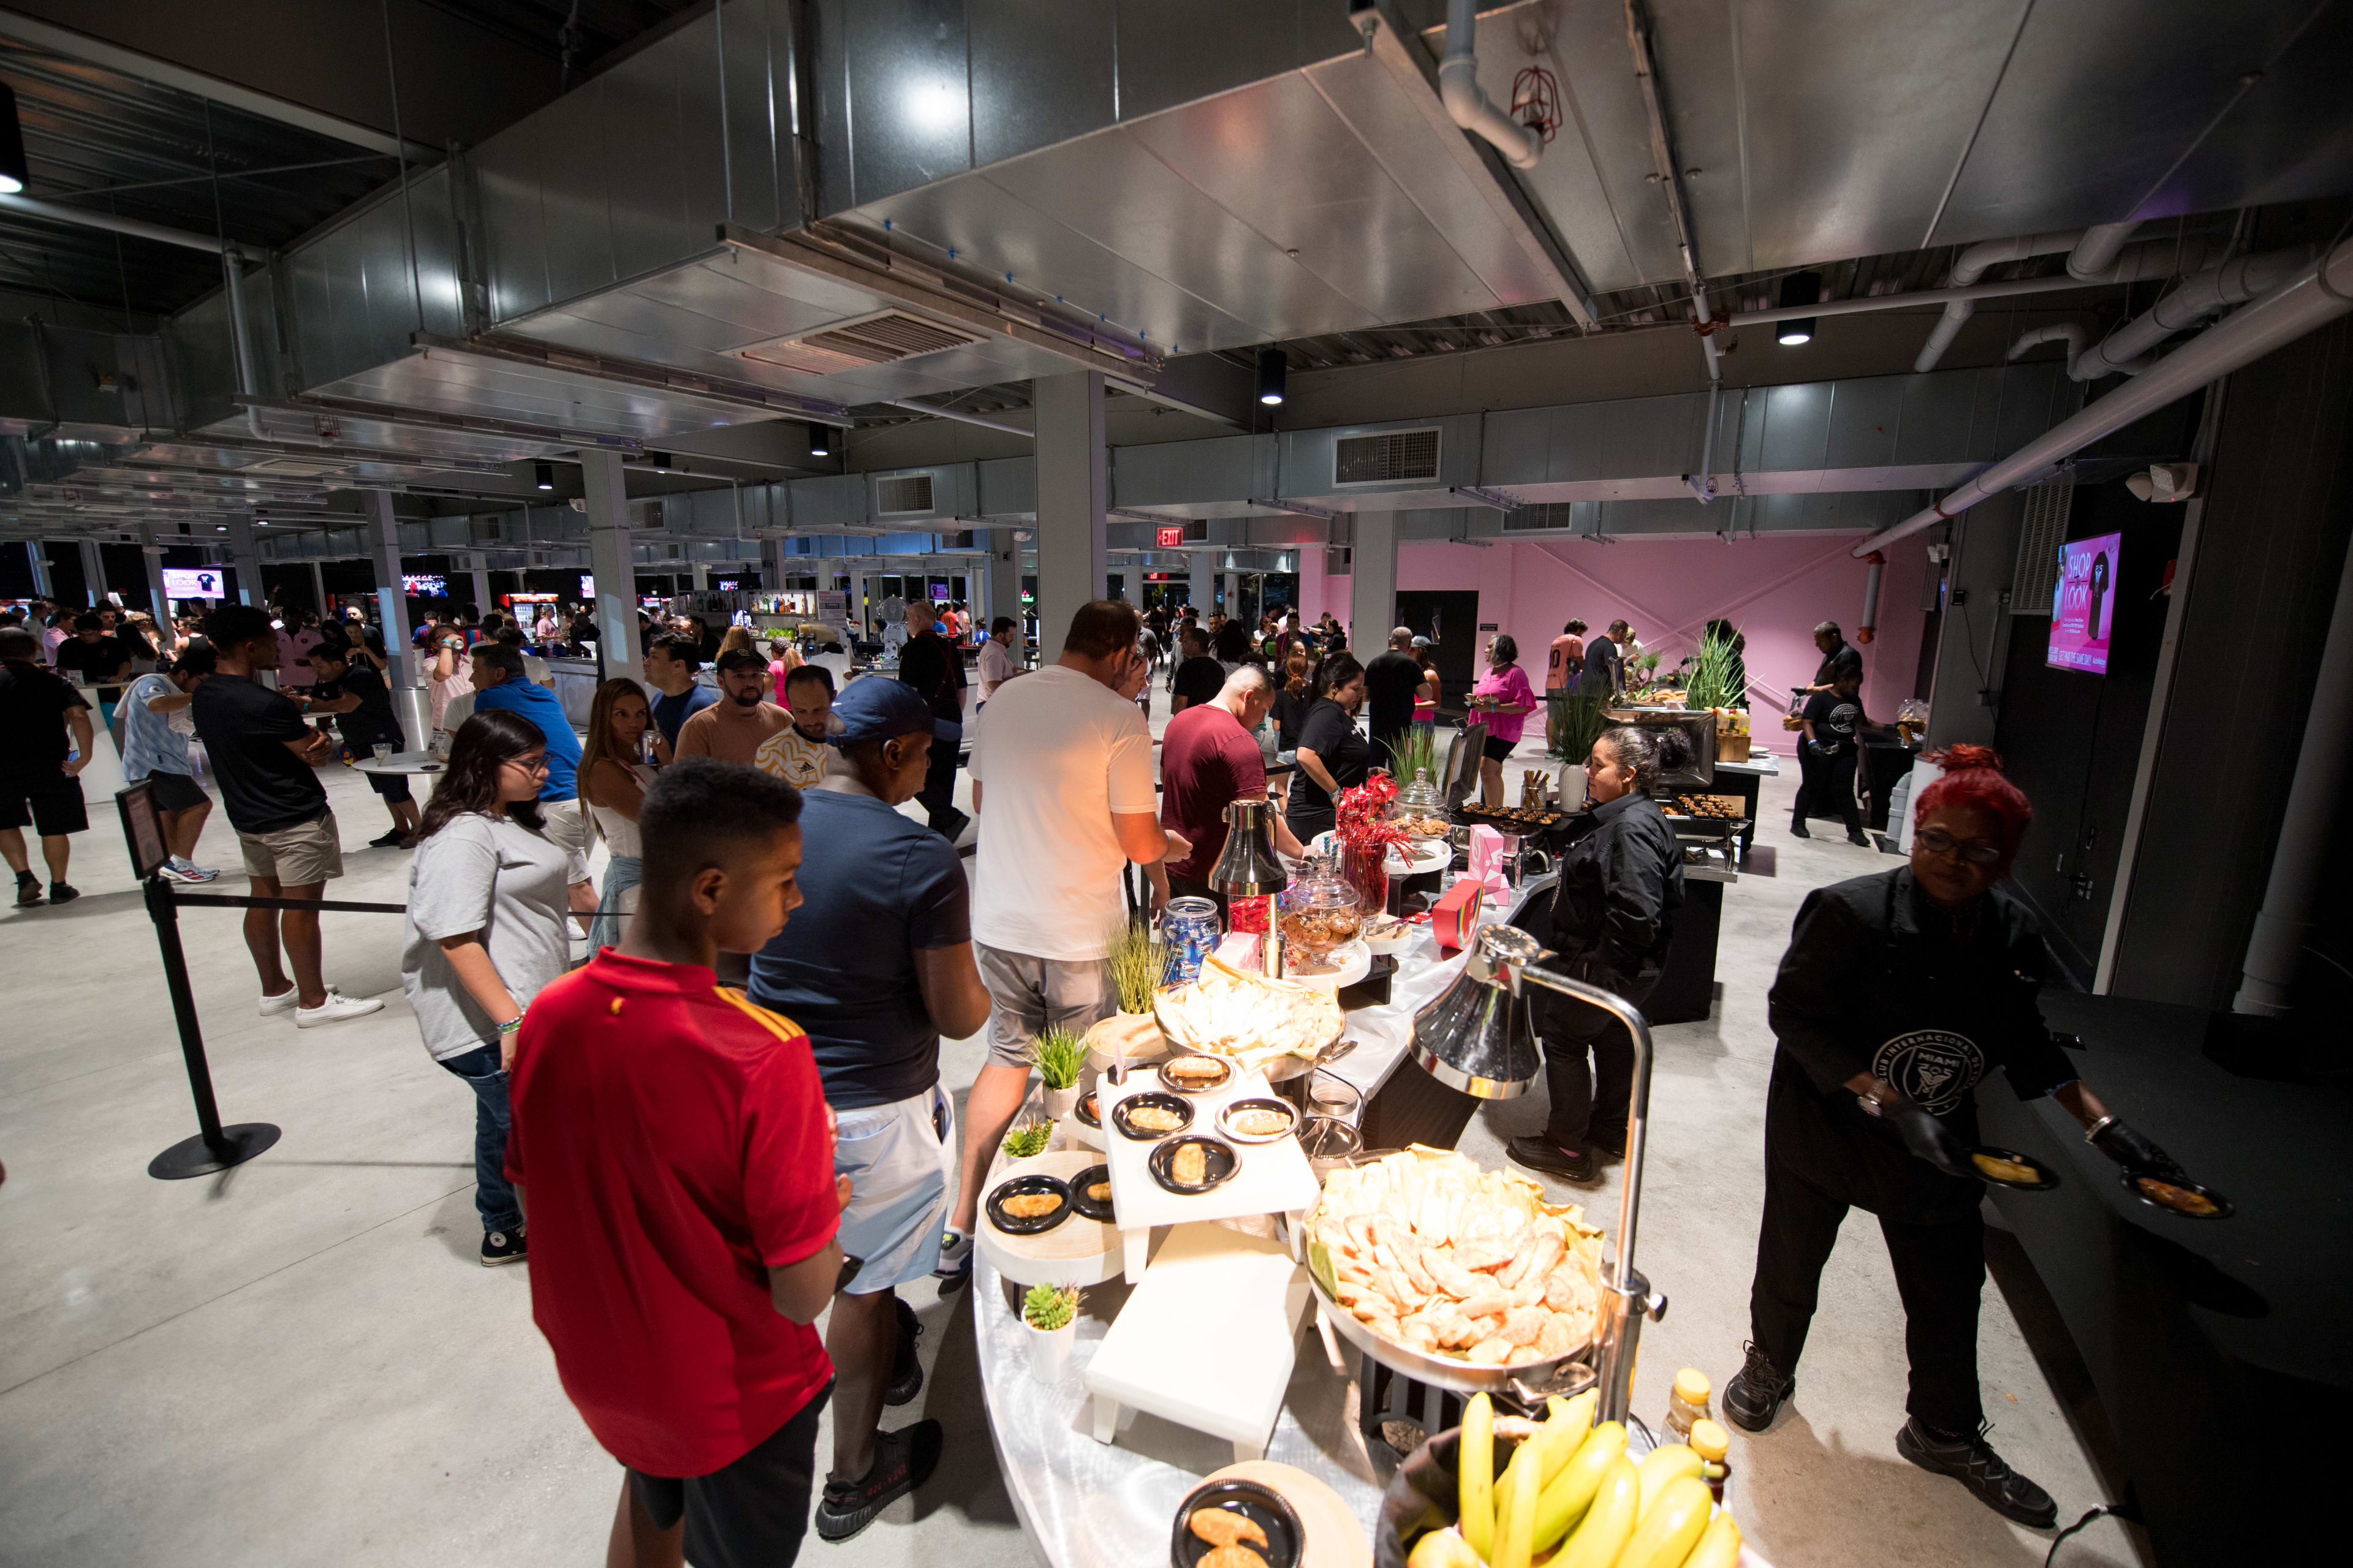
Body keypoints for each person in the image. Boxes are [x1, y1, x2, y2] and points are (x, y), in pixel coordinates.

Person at [1723, 747, 2199, 1526]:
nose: (1951, 861)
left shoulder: (2013, 935)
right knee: (1792, 1259)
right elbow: (1793, 1016)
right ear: (1916, 835)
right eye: (1936, 840)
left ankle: (1941, 1430)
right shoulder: (1847, 912)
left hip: (1938, 1138)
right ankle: (1770, 1365)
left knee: (1949, 1288)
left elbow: (2026, 1042)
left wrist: (2106, 1129)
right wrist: (1883, 1099)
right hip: (1828, 1122)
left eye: (1977, 850)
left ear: (2004, 859)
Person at [506, 759, 845, 1568]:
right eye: (786, 880)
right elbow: (803, 1294)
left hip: (606, 1369)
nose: (798, 900)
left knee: (650, 1499)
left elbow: (537, 1196)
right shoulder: (762, 1052)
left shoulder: (551, 1012)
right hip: (734, 1397)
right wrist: (825, 1207)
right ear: (711, 889)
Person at [748, 678, 985, 1539]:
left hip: (775, 1094)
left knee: (821, 1262)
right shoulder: (918, 855)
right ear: (893, 753)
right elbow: (958, 1014)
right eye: (926, 754)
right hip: (875, 1106)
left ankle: (887, 1356)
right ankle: (853, 1473)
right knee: (863, 1281)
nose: (931, 768)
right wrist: (990, 988)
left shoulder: (769, 823)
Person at [942, 602, 1184, 1287]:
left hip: (1000, 922)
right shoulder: (1118, 718)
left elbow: (983, 801)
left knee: (1006, 1057)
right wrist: (1170, 845)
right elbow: (1139, 841)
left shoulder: (1004, 700)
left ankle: (963, 1221)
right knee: (1080, 1077)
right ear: (1120, 651)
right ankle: (1065, 1231)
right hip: (1076, 929)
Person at [401, 710, 591, 1266]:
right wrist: (510, 1019)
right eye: (529, 763)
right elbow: (455, 938)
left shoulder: (508, 817)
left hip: (525, 1006)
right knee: (537, 1136)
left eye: (543, 759)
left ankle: (503, 1226)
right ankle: (560, 1244)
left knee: (501, 1123)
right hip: (489, 1023)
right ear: (484, 764)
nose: (543, 771)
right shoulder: (464, 835)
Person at [1507, 727, 1689, 1183]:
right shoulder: (1636, 815)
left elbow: (1638, 913)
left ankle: (1567, 1148)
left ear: (1628, 774)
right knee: (1611, 1036)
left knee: (1563, 1037)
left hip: (1609, 963)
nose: (1588, 771)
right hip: (1627, 965)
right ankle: (1608, 1129)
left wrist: (1601, 972)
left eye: (1598, 765)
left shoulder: (1631, 829)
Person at [190, 604, 384, 1025]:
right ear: (250, 645)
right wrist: (314, 742)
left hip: (247, 815)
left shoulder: (205, 693)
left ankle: (275, 988)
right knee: (302, 908)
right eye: (271, 638)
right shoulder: (266, 703)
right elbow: (313, 752)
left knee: (263, 898)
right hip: (293, 815)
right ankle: (313, 1001)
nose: (279, 646)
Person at [1161, 666, 1303, 909]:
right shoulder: (1238, 741)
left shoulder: (1178, 722)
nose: (1263, 720)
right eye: (1265, 710)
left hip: (1172, 863)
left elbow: (1167, 782)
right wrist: (1300, 852)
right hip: (1216, 877)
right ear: (1249, 697)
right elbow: (1259, 816)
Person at [468, 642, 589, 866]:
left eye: (476, 671)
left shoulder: (489, 697)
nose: (471, 678)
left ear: (499, 674)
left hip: (553, 801)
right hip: (584, 796)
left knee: (574, 884)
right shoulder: (545, 694)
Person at [0, 626, 94, 906]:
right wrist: (84, 757)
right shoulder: (55, 682)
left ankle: (24, 877)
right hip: (52, 763)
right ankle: (59, 886)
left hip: (2, 765)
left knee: (4, 822)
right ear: (33, 651)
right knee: (54, 826)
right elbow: (78, 715)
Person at [118, 640, 221, 884]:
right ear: (184, 674)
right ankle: (183, 863)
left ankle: (171, 864)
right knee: (199, 806)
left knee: (169, 814)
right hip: (152, 764)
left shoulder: (178, 692)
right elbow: (157, 705)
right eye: (201, 682)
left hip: (165, 762)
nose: (202, 688)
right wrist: (195, 695)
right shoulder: (152, 682)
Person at [306, 641, 421, 847]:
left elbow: (346, 705)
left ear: (337, 664)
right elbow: (316, 700)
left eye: (319, 666)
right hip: (359, 740)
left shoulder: (359, 675)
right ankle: (401, 829)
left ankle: (421, 830)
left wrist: (308, 705)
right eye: (313, 666)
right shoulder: (330, 680)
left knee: (396, 787)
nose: (316, 671)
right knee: (384, 788)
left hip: (382, 739)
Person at [580, 678, 659, 954]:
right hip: (636, 888)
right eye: (621, 714)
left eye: (640, 713)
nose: (633, 723)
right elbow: (659, 818)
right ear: (604, 718)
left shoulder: (643, 761)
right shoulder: (602, 769)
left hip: (661, 880)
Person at [895, 603, 969, 841]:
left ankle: (949, 818)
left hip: (926, 724)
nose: (908, 624)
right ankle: (941, 837)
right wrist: (951, 715)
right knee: (945, 781)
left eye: (908, 620)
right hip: (952, 721)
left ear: (917, 620)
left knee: (907, 771)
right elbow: (962, 691)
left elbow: (910, 693)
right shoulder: (950, 647)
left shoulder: (912, 649)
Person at [1284, 652, 1371, 843]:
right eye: (1355, 689)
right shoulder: (1327, 712)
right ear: (1334, 688)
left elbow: (1335, 757)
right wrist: (1335, 793)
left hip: (1324, 814)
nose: (1361, 694)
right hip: (1316, 817)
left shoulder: (1335, 712)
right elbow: (1306, 755)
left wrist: (1363, 770)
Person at [1792, 667, 1876, 846]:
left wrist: (1890, 728)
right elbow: (1807, 722)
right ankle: (1798, 824)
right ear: (1842, 681)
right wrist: (1813, 743)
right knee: (1811, 785)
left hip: (1844, 749)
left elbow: (1863, 722)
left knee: (1844, 790)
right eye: (1855, 685)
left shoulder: (1854, 700)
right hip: (1817, 747)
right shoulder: (1821, 698)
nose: (1857, 689)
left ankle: (1855, 832)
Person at [678, 648, 793, 767]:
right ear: (721, 682)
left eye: (755, 675)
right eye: (739, 676)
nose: (750, 683)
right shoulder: (699, 727)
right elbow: (685, 777)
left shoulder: (782, 718)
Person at [1468, 634, 1539, 807]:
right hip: (1486, 729)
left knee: (1487, 769)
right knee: (1493, 772)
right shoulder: (1488, 672)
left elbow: (1523, 705)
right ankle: (1497, 810)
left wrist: (1493, 708)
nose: (1486, 650)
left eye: (1490, 647)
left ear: (1501, 649)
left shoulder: (1516, 673)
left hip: (1505, 731)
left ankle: (1491, 813)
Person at [752, 664, 834, 789]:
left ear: (833, 698)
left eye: (818, 710)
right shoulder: (772, 752)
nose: (811, 721)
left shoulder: (856, 738)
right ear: (790, 704)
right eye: (801, 711)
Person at [52, 612, 133, 725]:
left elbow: (125, 664)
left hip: (108, 693)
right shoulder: (68, 645)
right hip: (78, 694)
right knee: (82, 725)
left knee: (107, 725)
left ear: (100, 630)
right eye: (82, 634)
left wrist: (119, 676)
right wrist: (71, 677)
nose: (86, 638)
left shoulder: (115, 644)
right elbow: (61, 668)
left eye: (91, 634)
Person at [642, 633, 718, 753]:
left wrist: (668, 761)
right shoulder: (659, 697)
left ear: (678, 665)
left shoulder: (704, 706)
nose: (646, 662)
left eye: (654, 657)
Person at [1363, 626, 1426, 769]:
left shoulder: (1374, 663)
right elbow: (1425, 694)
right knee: (1401, 768)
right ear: (1409, 644)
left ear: (1390, 641)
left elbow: (1365, 695)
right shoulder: (1412, 665)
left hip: (1378, 725)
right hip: (1402, 727)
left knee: (1376, 768)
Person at [1546, 619, 1588, 748]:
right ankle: (1568, 747)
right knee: (1566, 716)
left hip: (1550, 683)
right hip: (1565, 684)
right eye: (1582, 632)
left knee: (1552, 716)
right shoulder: (1575, 639)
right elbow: (1580, 662)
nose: (1582, 636)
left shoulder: (1556, 641)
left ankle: (1551, 748)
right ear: (1578, 629)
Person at [427, 622, 474, 735]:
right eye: (444, 638)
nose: (452, 640)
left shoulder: (472, 661)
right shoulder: (430, 663)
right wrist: (447, 644)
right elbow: (444, 672)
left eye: (453, 636)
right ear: (434, 645)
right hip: (447, 725)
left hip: (473, 721)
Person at [1169, 626, 1224, 714]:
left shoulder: (1186, 668)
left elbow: (1181, 702)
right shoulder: (1218, 668)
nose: (1182, 644)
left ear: (1196, 645)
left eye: (1185, 641)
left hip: (1192, 717)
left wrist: (1178, 720)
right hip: (1212, 717)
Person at [1805, 621, 1864, 693]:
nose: (1817, 645)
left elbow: (1842, 687)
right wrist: (1804, 692)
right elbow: (1818, 681)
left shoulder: (1848, 656)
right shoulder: (1830, 654)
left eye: (1820, 641)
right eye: (1816, 640)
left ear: (1834, 638)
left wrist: (1816, 690)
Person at [1271, 652, 1314, 751]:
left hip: (1286, 748)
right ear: (1306, 670)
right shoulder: (1313, 694)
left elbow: (1276, 727)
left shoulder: (1280, 695)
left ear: (1287, 671)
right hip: (1308, 748)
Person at [277, 609, 324, 694]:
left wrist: (309, 662)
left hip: (311, 681)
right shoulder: (276, 635)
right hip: (287, 682)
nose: (296, 620)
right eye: (293, 617)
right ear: (284, 619)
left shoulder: (314, 635)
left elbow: (324, 656)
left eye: (299, 617)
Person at [1578, 619, 1626, 701]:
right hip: (1599, 693)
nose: (1624, 638)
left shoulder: (1594, 643)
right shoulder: (1609, 646)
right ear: (1620, 632)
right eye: (1625, 635)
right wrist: (1620, 694)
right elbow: (1614, 671)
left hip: (1585, 689)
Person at [976, 615, 1020, 703]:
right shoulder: (994, 654)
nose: (1012, 639)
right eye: (1011, 636)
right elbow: (994, 685)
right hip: (991, 704)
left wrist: (1029, 673)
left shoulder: (997, 649)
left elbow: (1013, 670)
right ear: (1000, 635)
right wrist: (1016, 680)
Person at [765, 637, 803, 705]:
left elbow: (765, 690)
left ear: (775, 654)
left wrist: (767, 672)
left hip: (784, 710)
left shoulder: (775, 665)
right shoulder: (801, 662)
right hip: (801, 708)